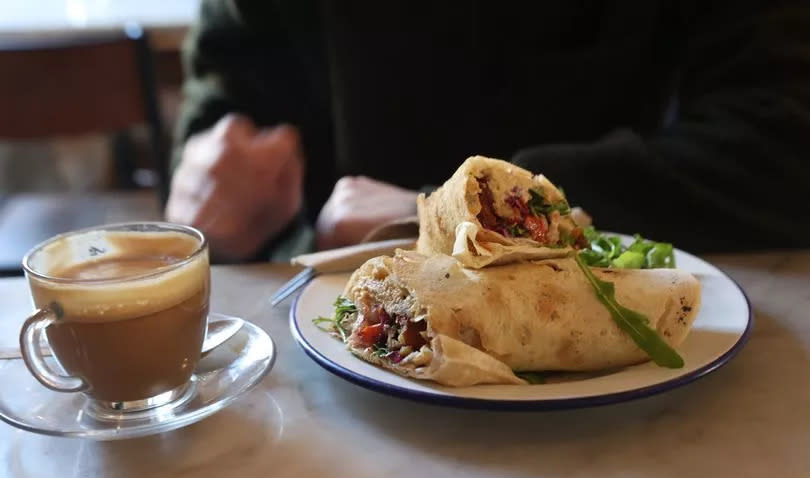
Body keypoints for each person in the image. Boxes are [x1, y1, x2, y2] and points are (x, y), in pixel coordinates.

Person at [166, 1, 810, 262]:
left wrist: (442, 215)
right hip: (340, 377)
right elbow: (227, 125)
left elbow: (783, 147)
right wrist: (206, 189)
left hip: (635, 376)